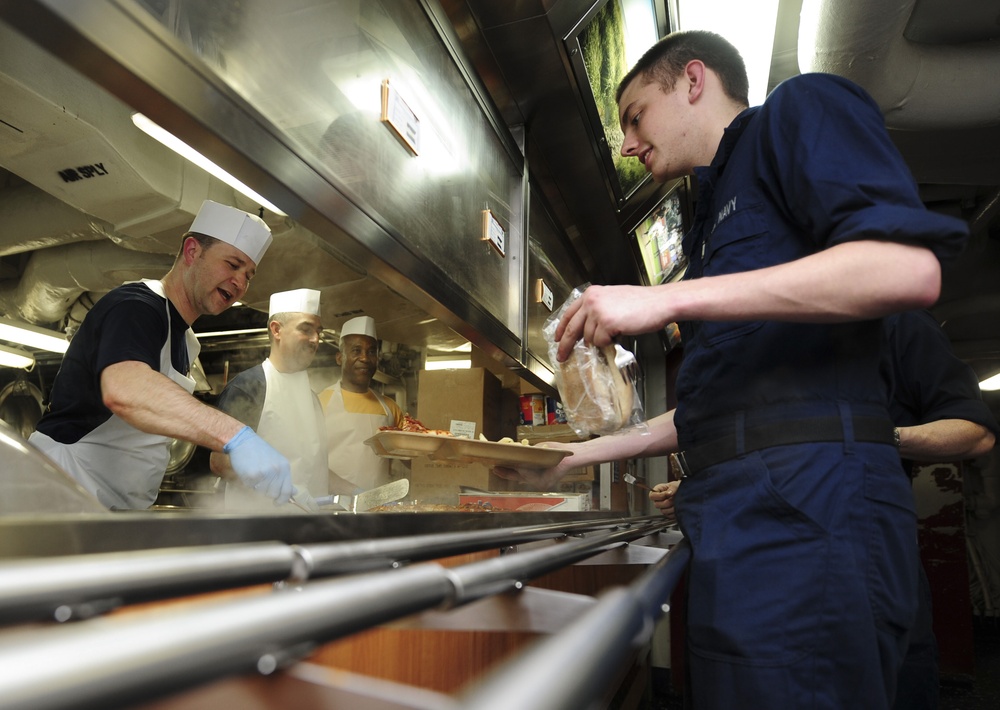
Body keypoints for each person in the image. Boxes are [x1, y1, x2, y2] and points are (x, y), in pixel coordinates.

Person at [501, 30, 969, 709]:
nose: (628, 143)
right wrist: (585, 453)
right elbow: (718, 403)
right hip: (736, 517)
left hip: (809, 513)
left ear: (694, 81)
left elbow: (904, 268)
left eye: (635, 116)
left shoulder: (798, 111)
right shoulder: (706, 228)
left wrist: (662, 299)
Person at [29, 200, 294, 510]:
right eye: (232, 264)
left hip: (109, 511)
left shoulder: (185, 340)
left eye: (248, 275)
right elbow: (126, 391)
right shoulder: (136, 306)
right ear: (192, 251)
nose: (240, 283)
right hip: (61, 497)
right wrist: (237, 436)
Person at [208, 288, 357, 511]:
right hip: (257, 529)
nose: (315, 339)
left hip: (308, 529)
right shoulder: (249, 387)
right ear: (276, 330)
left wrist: (355, 492)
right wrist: (276, 487)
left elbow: (313, 468)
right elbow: (219, 462)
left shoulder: (312, 399)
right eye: (306, 329)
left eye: (318, 331)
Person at [318, 315, 403, 492]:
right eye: (356, 351)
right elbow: (306, 461)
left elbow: (409, 458)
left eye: (371, 352)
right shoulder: (319, 403)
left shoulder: (391, 408)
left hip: (379, 507)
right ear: (340, 357)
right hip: (332, 507)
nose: (364, 358)